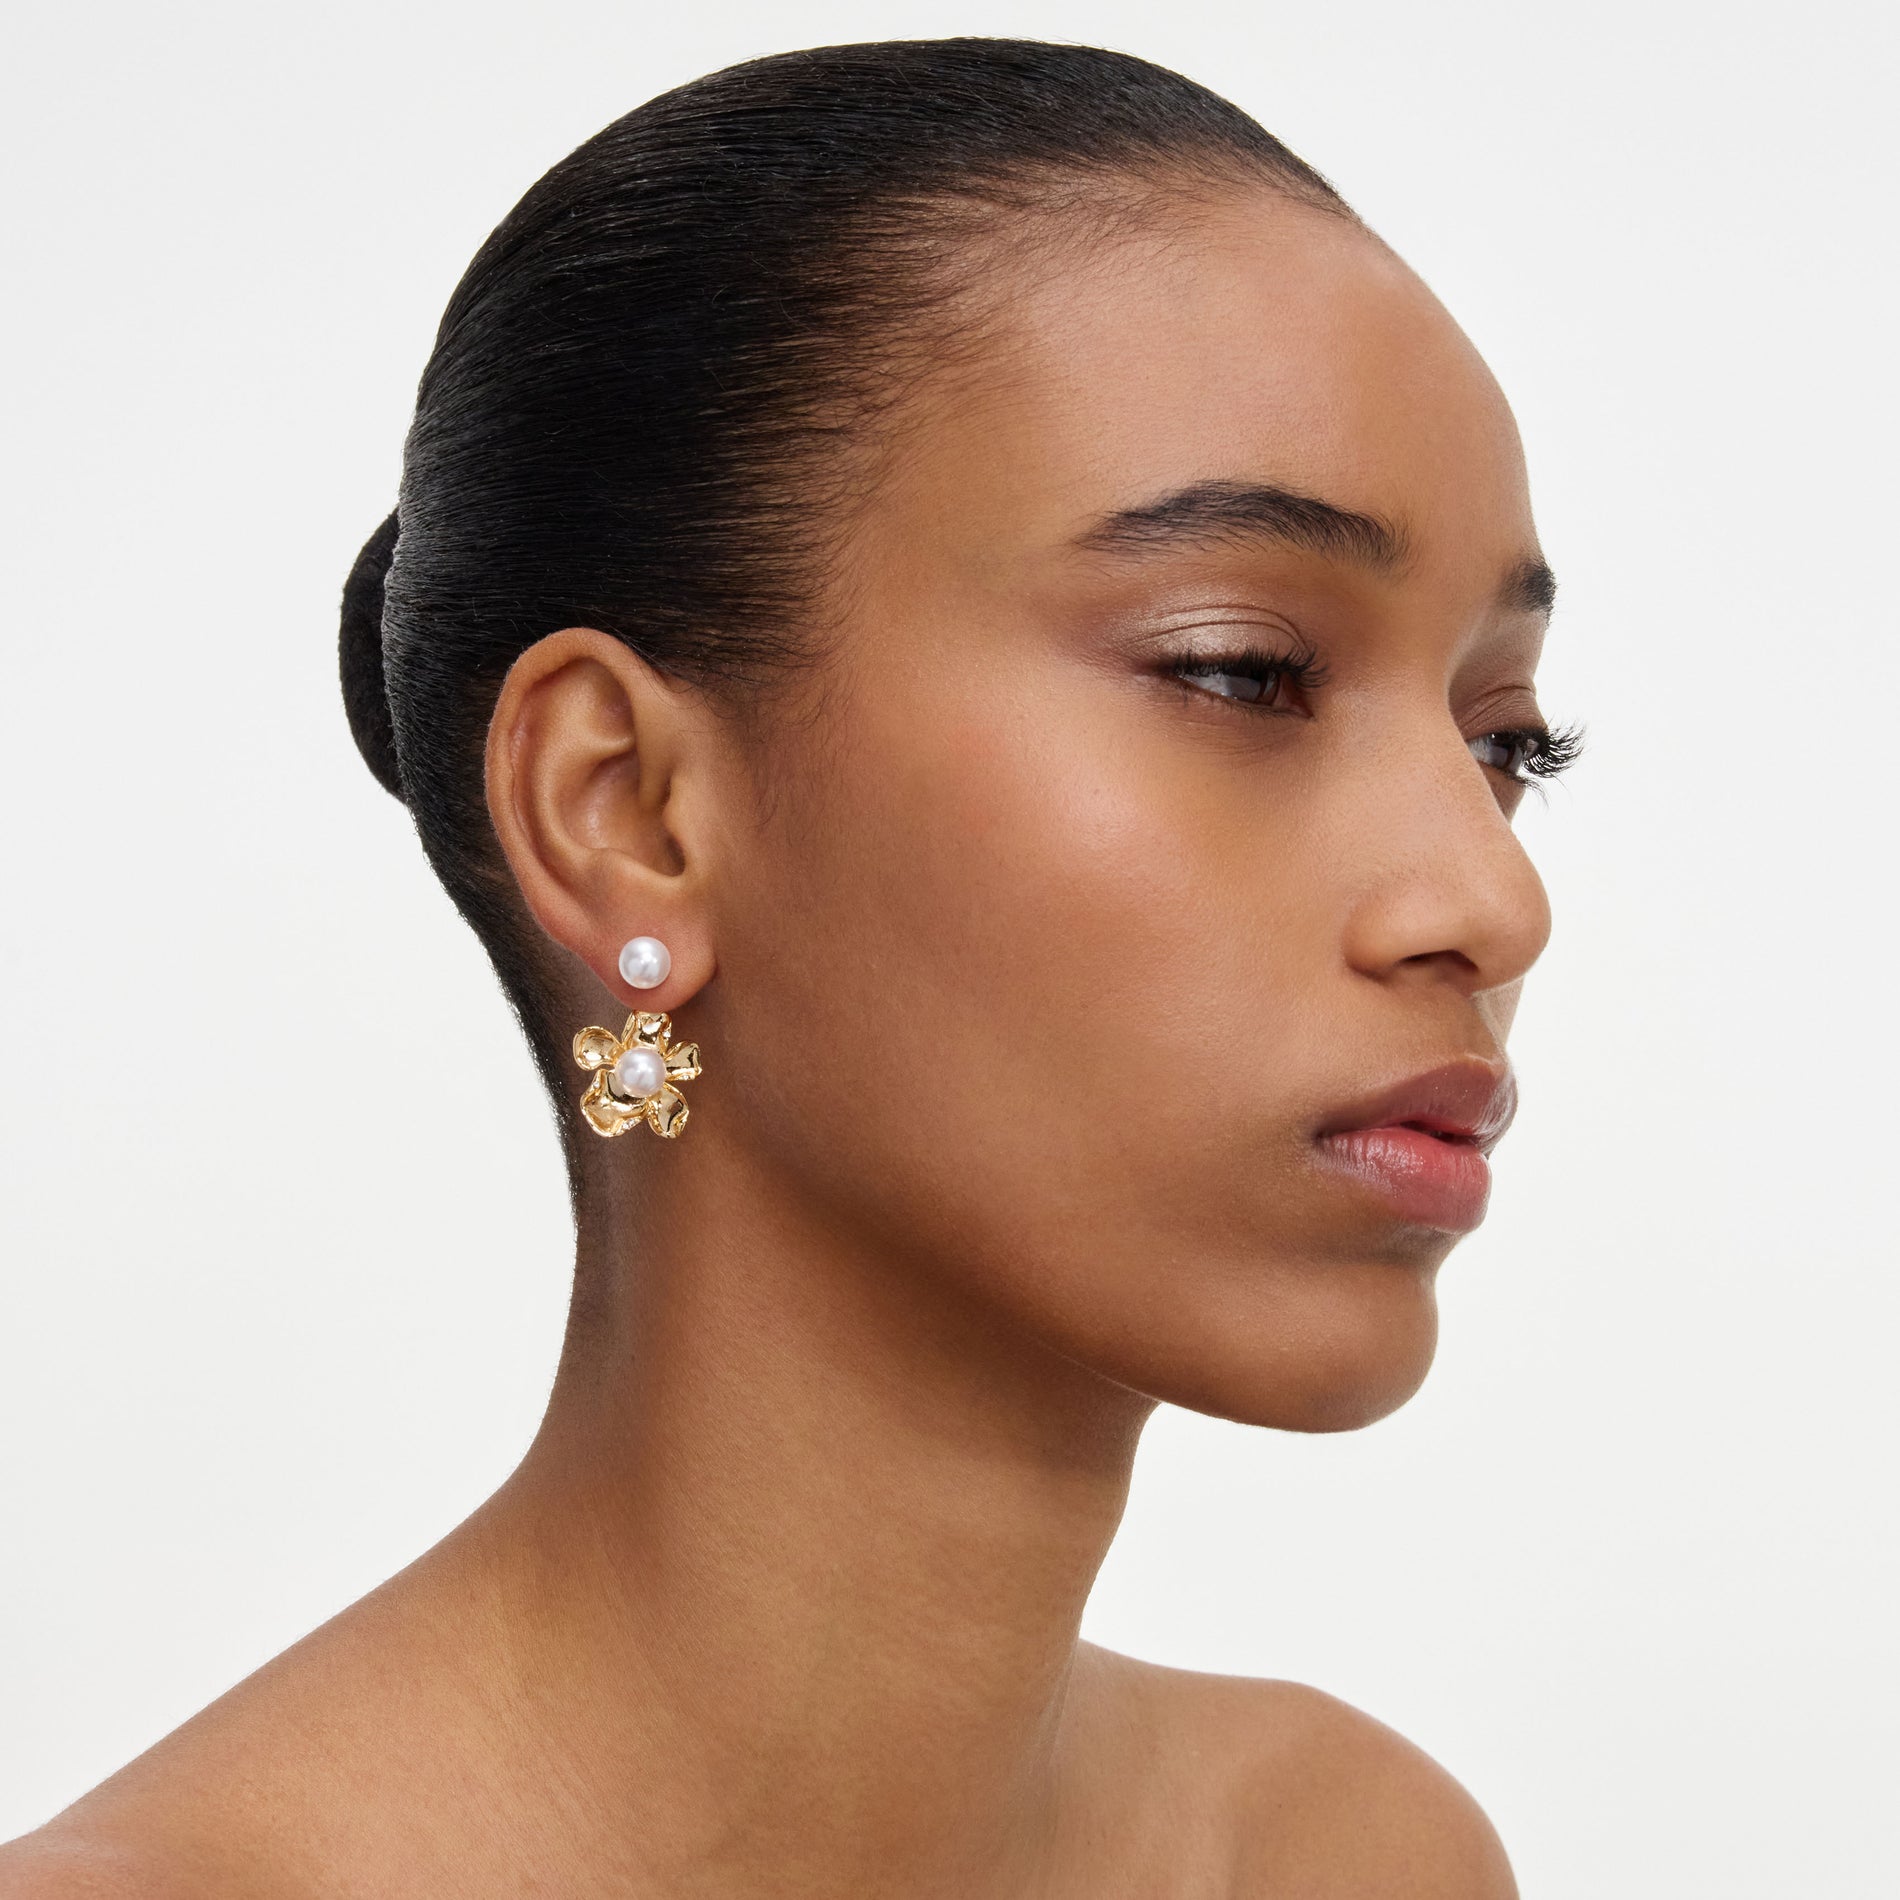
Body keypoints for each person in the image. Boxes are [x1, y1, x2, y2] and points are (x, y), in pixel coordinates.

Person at [1, 37, 1576, 1898]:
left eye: (1506, 742)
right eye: (1241, 670)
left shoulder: (1343, 1859)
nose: (1491, 900)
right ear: (625, 810)